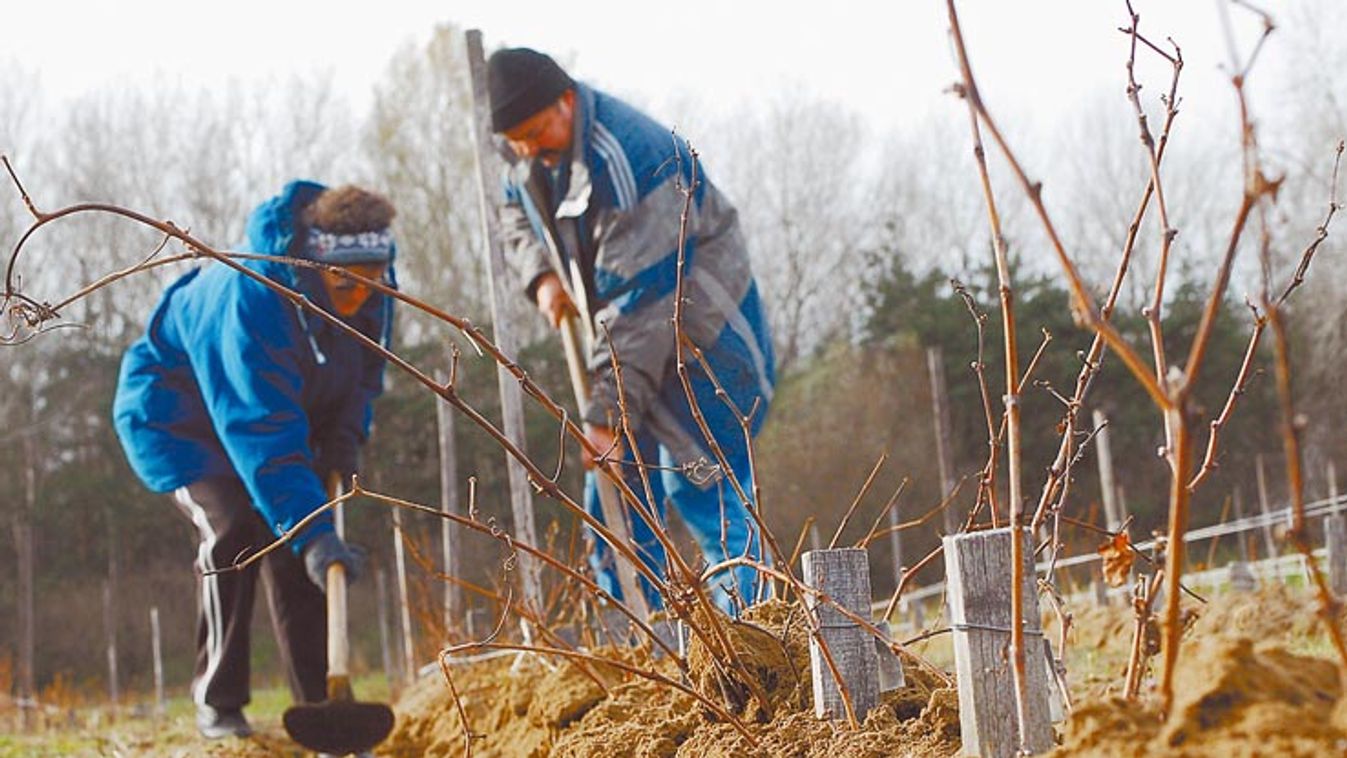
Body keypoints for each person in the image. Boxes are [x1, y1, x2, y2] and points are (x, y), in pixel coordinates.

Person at [487, 47, 776, 611]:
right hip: (627, 350)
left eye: (533, 133)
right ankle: (646, 652)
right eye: (515, 140)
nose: (525, 151)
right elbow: (512, 211)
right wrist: (542, 277)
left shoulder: (634, 161)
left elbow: (639, 310)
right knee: (616, 503)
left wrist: (604, 417)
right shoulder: (531, 158)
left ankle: (756, 645)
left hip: (702, 346)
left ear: (565, 101)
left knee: (700, 488)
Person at [112, 181, 397, 739]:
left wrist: (344, 438)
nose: (361, 295)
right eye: (347, 282)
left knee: (305, 554)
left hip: (277, 421)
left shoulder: (372, 285)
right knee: (241, 531)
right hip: (179, 418)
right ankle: (218, 702)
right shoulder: (256, 298)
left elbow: (364, 376)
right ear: (317, 263)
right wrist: (311, 529)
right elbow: (259, 428)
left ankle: (320, 703)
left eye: (374, 279)